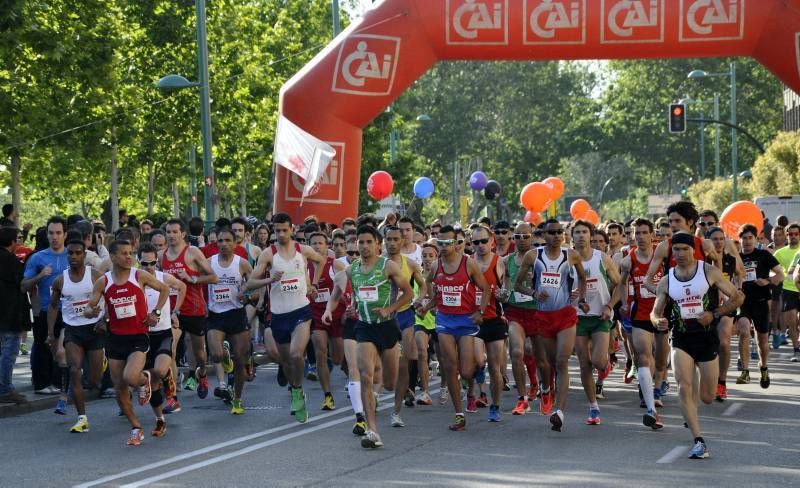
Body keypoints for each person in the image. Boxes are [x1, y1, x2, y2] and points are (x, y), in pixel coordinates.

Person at [650, 232, 743, 459]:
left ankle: (695, 409)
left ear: (694, 250)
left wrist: (715, 313)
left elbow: (738, 297)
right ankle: (698, 439)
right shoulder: (667, 279)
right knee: (684, 385)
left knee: (707, 397)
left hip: (706, 338)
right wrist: (657, 321)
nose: (680, 254)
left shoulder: (708, 271)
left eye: (685, 249)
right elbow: (655, 311)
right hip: (681, 337)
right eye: (676, 250)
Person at [322, 225, 414, 448]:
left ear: (377, 244)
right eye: (360, 243)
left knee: (390, 383)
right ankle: (372, 431)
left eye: (368, 242)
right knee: (365, 375)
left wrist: (390, 309)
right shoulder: (352, 270)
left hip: (387, 327)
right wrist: (329, 310)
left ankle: (380, 392)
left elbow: (409, 294)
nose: (363, 247)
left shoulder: (387, 266)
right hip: (364, 326)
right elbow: (336, 294)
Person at [84, 240, 170, 446]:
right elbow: (89, 307)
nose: (129, 257)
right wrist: (92, 312)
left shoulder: (139, 275)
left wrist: (156, 312)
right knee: (119, 387)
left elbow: (164, 289)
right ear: (112, 257)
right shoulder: (103, 282)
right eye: (124, 254)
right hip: (115, 339)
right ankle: (136, 427)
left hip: (138, 337)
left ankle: (145, 379)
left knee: (130, 377)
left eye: (130, 253)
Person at [245, 212, 326, 424]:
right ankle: (295, 388)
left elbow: (322, 259)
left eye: (285, 230)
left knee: (296, 354)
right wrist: (269, 280)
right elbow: (249, 284)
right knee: (287, 361)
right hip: (279, 315)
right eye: (277, 230)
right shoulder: (268, 255)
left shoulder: (303, 250)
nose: (281, 234)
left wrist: (314, 284)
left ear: (292, 230)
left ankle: (298, 391)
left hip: (301, 310)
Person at [515, 218, 588, 432]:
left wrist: (581, 300)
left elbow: (583, 278)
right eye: (551, 232)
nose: (556, 236)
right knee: (544, 363)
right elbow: (519, 284)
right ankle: (546, 388)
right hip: (542, 316)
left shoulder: (571, 255)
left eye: (559, 232)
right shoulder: (533, 256)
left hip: (565, 315)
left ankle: (559, 411)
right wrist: (534, 293)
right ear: (544, 235)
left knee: (561, 361)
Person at [421, 225, 490, 432]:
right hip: (444, 320)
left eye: (447, 242)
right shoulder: (435, 266)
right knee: (450, 367)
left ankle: (474, 377)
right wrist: (425, 306)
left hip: (466, 320)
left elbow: (485, 289)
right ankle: (459, 414)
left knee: (466, 369)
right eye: (439, 242)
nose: (443, 246)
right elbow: (432, 292)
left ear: (455, 242)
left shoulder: (468, 264)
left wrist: (480, 311)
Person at [47, 238, 105, 431]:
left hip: (94, 330)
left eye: (78, 253)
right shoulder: (60, 280)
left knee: (95, 382)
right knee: (74, 370)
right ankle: (82, 419)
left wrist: (104, 320)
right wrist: (50, 334)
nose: (74, 256)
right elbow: (53, 306)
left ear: (84, 254)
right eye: (70, 253)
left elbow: (110, 298)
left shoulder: (95, 275)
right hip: (73, 330)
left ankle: (100, 364)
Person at [161, 218, 219, 399]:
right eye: (168, 232)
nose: (170, 235)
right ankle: (173, 391)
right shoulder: (162, 255)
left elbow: (213, 277)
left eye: (174, 232)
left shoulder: (192, 252)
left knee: (200, 353)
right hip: (173, 311)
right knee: (169, 349)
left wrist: (191, 278)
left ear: (183, 234)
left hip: (194, 309)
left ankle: (201, 373)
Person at [571, 220, 620, 425]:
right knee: (584, 365)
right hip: (577, 318)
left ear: (590, 235)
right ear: (572, 236)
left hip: (600, 316)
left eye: (584, 232)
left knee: (598, 362)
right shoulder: (567, 259)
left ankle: (607, 362)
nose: (581, 235)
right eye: (577, 232)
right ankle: (593, 408)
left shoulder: (602, 258)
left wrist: (610, 306)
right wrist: (568, 295)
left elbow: (619, 285)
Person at [619, 218, 666, 429]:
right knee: (643, 356)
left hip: (663, 313)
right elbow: (621, 283)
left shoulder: (662, 256)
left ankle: (656, 388)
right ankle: (651, 408)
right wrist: (623, 304)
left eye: (644, 232)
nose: (640, 237)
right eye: (636, 233)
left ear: (652, 234)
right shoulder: (628, 260)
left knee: (661, 359)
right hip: (640, 314)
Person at [502, 221, 550, 416]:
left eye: (526, 236)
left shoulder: (541, 259)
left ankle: (545, 390)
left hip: (536, 312)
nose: (521, 240)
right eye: (517, 236)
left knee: (541, 360)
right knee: (516, 352)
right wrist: (503, 294)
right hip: (515, 312)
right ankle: (522, 399)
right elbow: (506, 283)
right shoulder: (507, 260)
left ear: (532, 237)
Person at [383, 226, 426, 428]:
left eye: (396, 239)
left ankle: (396, 411)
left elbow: (423, 285)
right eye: (388, 239)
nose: (392, 243)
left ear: (402, 241)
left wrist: (420, 299)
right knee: (382, 366)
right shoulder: (377, 264)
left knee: (404, 362)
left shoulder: (409, 264)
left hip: (406, 315)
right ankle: (375, 392)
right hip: (383, 318)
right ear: (383, 241)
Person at [206, 228, 253, 415]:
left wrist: (247, 296)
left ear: (235, 243)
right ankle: (224, 355)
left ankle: (238, 400)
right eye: (220, 241)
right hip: (216, 314)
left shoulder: (242, 264)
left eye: (227, 240)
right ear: (216, 243)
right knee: (216, 356)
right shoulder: (209, 263)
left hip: (236, 313)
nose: (223, 244)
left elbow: (255, 287)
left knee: (241, 361)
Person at [22, 216, 70, 395]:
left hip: (68, 311)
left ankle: (60, 383)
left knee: (63, 348)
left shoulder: (73, 255)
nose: (54, 237)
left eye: (58, 233)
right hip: (44, 309)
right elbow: (24, 285)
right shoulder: (37, 258)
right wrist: (40, 275)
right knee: (43, 347)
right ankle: (42, 384)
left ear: (65, 234)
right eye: (51, 233)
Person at [138, 243, 186, 420]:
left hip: (163, 330)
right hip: (143, 334)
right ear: (138, 262)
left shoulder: (163, 278)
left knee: (159, 369)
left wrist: (175, 311)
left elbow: (182, 287)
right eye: (145, 264)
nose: (149, 267)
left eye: (152, 263)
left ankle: (171, 397)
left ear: (156, 262)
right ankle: (159, 409)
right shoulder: (135, 279)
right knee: (149, 373)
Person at [736, 224, 784, 388]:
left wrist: (768, 281)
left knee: (762, 341)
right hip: (742, 301)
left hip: (761, 302)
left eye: (750, 238)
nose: (747, 241)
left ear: (756, 239)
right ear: (739, 239)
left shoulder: (763, 255)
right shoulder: (736, 257)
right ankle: (745, 371)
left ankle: (763, 367)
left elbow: (780, 273)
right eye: (744, 238)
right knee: (743, 330)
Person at [468, 225, 507, 422]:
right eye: (476, 242)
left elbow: (507, 293)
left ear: (492, 240)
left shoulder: (499, 263)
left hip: (494, 320)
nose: (481, 245)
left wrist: (502, 295)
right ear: (471, 243)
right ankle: (476, 385)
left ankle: (495, 405)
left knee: (495, 368)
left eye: (484, 241)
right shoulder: (467, 263)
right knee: (477, 360)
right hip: (472, 320)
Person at [307, 231, 347, 411]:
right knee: (320, 352)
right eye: (313, 243)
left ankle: (354, 380)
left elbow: (348, 286)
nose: (316, 246)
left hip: (336, 316)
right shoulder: (304, 266)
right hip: (316, 317)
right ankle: (327, 396)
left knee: (339, 358)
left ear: (326, 246)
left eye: (320, 243)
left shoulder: (335, 264)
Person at [705, 226, 744, 401]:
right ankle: (708, 380)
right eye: (715, 239)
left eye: (722, 239)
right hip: (705, 307)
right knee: (707, 345)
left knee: (724, 342)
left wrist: (737, 290)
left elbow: (739, 276)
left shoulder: (731, 259)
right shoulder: (701, 261)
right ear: (708, 242)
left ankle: (722, 382)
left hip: (726, 307)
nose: (719, 242)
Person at [0, 226, 31, 404]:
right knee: (9, 352)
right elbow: (22, 283)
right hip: (9, 313)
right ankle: (5, 389)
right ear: (12, 242)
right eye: (17, 238)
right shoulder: (10, 261)